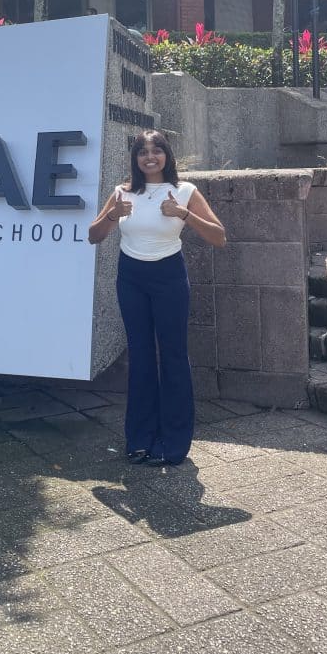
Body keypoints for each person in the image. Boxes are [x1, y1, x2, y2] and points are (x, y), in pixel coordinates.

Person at [88, 130, 226, 466]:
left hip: (169, 277)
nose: (150, 157)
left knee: (174, 356)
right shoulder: (123, 192)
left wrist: (183, 214)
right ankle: (139, 438)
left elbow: (219, 237)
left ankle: (174, 443)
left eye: (157, 150)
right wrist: (112, 214)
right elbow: (94, 236)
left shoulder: (184, 191)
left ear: (167, 155)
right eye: (142, 152)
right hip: (131, 278)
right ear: (135, 159)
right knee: (141, 356)